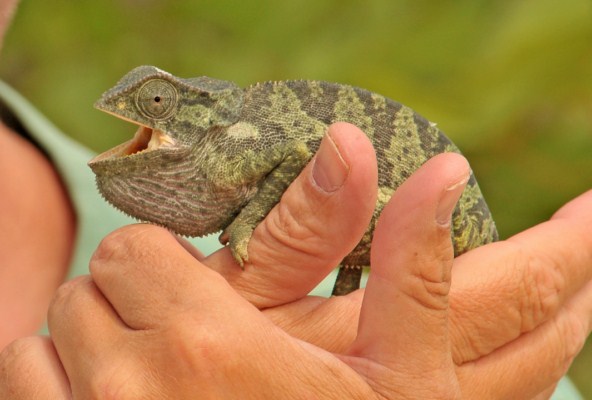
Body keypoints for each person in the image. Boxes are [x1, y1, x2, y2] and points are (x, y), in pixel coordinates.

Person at [0, 2, 590, 398]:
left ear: (201, 111)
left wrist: (257, 220)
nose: (144, 117)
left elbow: (293, 163)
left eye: (158, 105)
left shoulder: (478, 366)